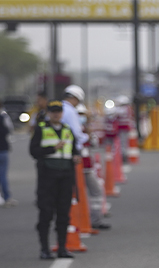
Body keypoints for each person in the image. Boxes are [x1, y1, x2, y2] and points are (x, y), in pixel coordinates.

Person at [30, 100, 82, 259]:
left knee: (64, 215)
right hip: (47, 178)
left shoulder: (68, 130)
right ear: (48, 113)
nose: (56, 114)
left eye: (58, 111)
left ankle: (62, 247)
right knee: (46, 213)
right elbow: (34, 151)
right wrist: (53, 149)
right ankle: (44, 249)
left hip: (65, 177)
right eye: (53, 111)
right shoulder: (41, 129)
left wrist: (76, 156)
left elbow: (74, 150)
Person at [76, 103, 111, 230]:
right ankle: (74, 222)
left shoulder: (87, 129)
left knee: (96, 191)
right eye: (79, 115)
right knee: (74, 195)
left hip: (87, 167)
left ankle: (95, 220)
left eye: (83, 115)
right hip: (76, 167)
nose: (81, 117)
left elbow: (95, 144)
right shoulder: (71, 129)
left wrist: (90, 133)